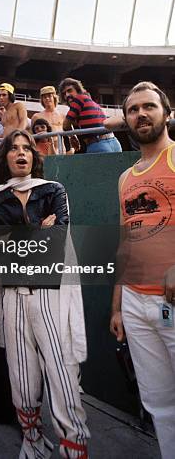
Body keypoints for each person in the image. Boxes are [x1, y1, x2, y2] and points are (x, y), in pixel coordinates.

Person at [0, 130, 90, 459]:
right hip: (13, 295)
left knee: (61, 372)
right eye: (13, 149)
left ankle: (75, 446)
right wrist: (35, 234)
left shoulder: (53, 190)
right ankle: (32, 443)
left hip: (50, 293)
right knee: (21, 375)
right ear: (4, 159)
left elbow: (57, 240)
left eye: (26, 148)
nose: (20, 153)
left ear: (34, 156)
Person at [109, 81, 175, 459]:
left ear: (166, 113)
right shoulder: (126, 177)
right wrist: (117, 306)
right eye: (133, 110)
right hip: (135, 304)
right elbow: (125, 243)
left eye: (149, 106)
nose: (141, 115)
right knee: (159, 404)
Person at [59, 77, 121, 153]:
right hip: (113, 142)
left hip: (98, 144)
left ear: (78, 91)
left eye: (69, 90)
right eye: (64, 93)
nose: (67, 95)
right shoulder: (88, 101)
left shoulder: (78, 99)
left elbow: (65, 125)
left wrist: (72, 137)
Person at [31, 85, 78, 154]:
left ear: (54, 97)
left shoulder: (62, 116)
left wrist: (72, 149)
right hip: (43, 151)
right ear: (42, 100)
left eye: (49, 96)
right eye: (44, 97)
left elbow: (71, 135)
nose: (47, 99)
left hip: (61, 150)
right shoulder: (37, 116)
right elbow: (32, 137)